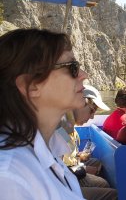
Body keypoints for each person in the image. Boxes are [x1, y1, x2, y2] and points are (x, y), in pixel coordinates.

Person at [0, 28, 86, 199]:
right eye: (72, 67)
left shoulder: (48, 148)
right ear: (30, 85)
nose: (84, 75)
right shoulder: (10, 176)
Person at [61, 85, 117, 200]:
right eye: (91, 111)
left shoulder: (68, 124)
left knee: (95, 163)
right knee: (112, 193)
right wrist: (84, 169)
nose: (92, 117)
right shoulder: (63, 128)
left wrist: (78, 156)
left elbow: (66, 156)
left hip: (68, 172)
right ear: (78, 103)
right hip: (62, 186)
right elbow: (59, 171)